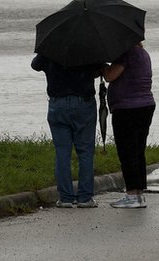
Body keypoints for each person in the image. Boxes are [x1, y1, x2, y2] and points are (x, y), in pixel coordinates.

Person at [31, 54, 101, 208]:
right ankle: (85, 197)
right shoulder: (88, 48)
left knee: (62, 152)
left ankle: (65, 198)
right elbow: (98, 70)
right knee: (85, 151)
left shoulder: (50, 48)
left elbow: (35, 65)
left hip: (57, 103)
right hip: (84, 102)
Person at [101, 42, 156, 209]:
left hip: (128, 108)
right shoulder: (143, 53)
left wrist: (103, 67)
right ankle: (138, 193)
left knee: (127, 151)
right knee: (138, 151)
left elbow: (110, 76)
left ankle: (132, 194)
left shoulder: (126, 53)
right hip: (145, 105)